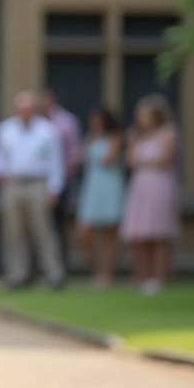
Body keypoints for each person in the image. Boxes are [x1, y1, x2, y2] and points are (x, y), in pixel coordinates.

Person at [0, 91, 66, 290]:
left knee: (43, 230)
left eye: (29, 108)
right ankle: (17, 275)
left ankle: (54, 273)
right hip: (12, 184)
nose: (25, 112)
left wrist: (55, 188)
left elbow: (55, 161)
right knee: (13, 232)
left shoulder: (48, 130)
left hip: (38, 184)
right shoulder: (5, 129)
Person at [120, 95, 181, 296]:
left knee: (158, 233)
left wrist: (142, 161)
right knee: (139, 233)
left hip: (160, 185)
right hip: (140, 186)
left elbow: (164, 160)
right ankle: (142, 278)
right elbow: (129, 161)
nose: (140, 118)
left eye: (144, 114)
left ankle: (159, 278)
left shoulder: (168, 133)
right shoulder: (136, 135)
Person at [76, 106, 125, 289]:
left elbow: (108, 160)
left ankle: (108, 273)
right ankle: (96, 270)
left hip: (110, 185)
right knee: (85, 231)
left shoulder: (115, 137)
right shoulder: (90, 138)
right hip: (93, 186)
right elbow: (80, 159)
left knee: (110, 232)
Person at [39, 88, 82, 269]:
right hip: (39, 181)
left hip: (61, 179)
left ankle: (60, 266)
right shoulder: (37, 124)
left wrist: (62, 179)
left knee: (57, 224)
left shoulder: (66, 122)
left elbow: (73, 153)